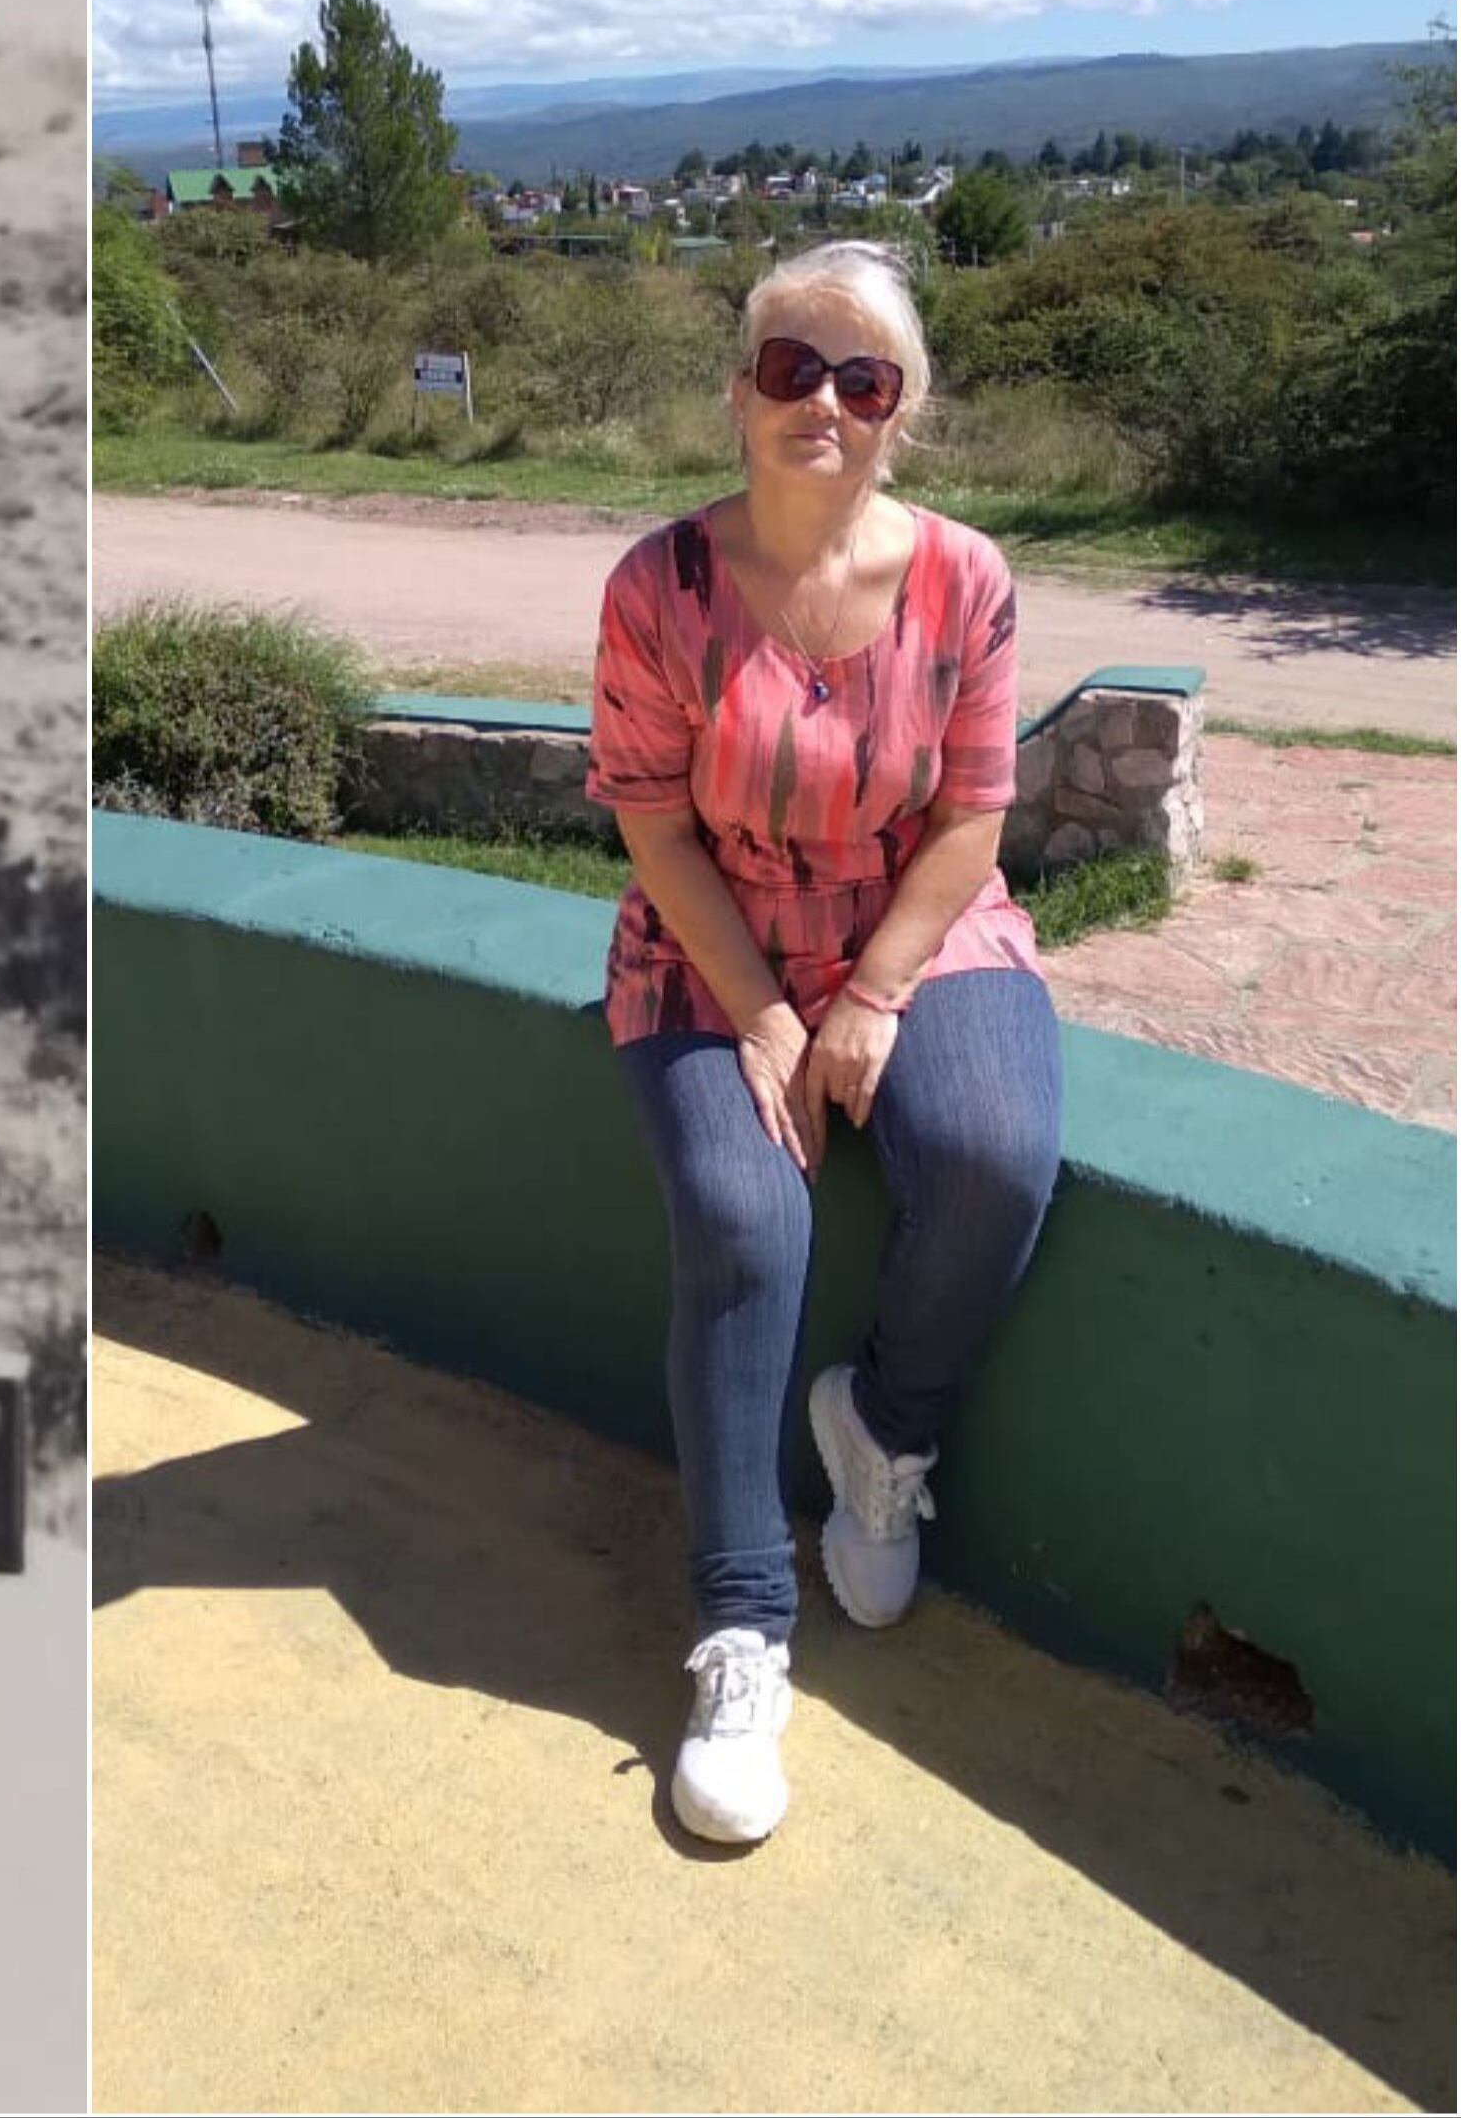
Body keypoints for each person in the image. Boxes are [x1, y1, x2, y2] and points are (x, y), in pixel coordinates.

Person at [582, 241, 1063, 1847]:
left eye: (865, 382)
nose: (826, 404)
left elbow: (976, 815)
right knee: (743, 1217)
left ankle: (885, 1429)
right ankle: (738, 1627)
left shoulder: (967, 580)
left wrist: (865, 998)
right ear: (739, 392)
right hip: (715, 938)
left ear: (900, 414)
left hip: (912, 924)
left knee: (995, 1154)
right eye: (793, 368)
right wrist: (774, 1014)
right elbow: (654, 826)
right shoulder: (661, 589)